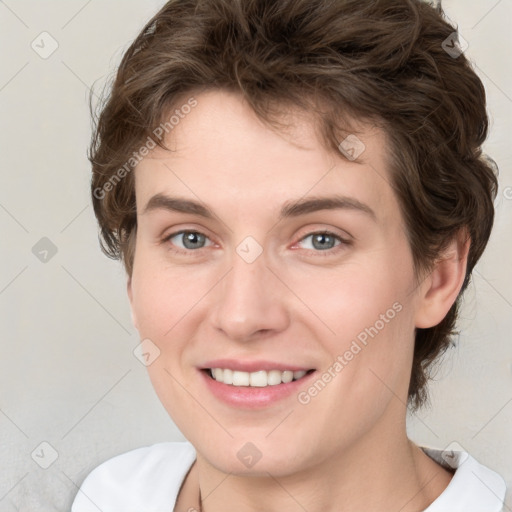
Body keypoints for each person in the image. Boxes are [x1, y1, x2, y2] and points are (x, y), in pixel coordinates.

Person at [72, 0, 507, 510]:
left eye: (321, 239)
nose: (242, 315)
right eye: (190, 238)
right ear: (132, 273)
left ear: (438, 274)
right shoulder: (111, 496)